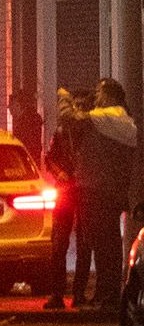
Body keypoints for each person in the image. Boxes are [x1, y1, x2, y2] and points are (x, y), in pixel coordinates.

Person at [84, 79, 137, 309]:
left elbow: (85, 117)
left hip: (108, 191)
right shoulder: (111, 119)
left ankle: (110, 294)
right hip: (103, 190)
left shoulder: (116, 117)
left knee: (108, 245)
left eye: (99, 91)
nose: (96, 96)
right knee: (103, 244)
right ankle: (105, 292)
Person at [47, 88, 92, 312]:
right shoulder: (62, 132)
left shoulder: (92, 131)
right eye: (78, 104)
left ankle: (78, 294)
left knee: (85, 244)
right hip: (66, 189)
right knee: (59, 243)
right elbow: (51, 158)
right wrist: (59, 173)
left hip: (83, 190)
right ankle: (57, 294)